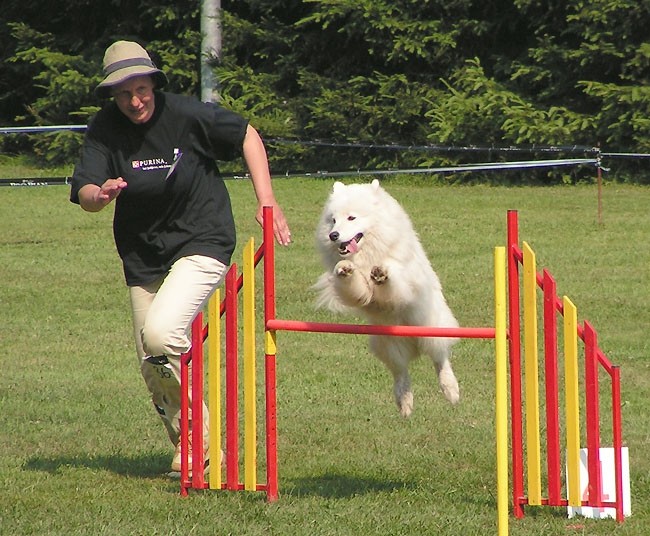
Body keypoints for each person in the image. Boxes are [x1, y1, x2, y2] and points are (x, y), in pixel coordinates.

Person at [70, 40, 291, 474]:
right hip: (142, 254)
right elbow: (85, 193)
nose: (135, 102)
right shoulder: (104, 129)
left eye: (142, 90)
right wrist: (102, 193)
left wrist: (267, 201)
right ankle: (193, 447)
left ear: (154, 83)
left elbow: (246, 133)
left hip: (202, 238)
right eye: (124, 94)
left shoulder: (187, 115)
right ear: (112, 96)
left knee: (162, 335)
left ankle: (202, 444)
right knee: (151, 366)